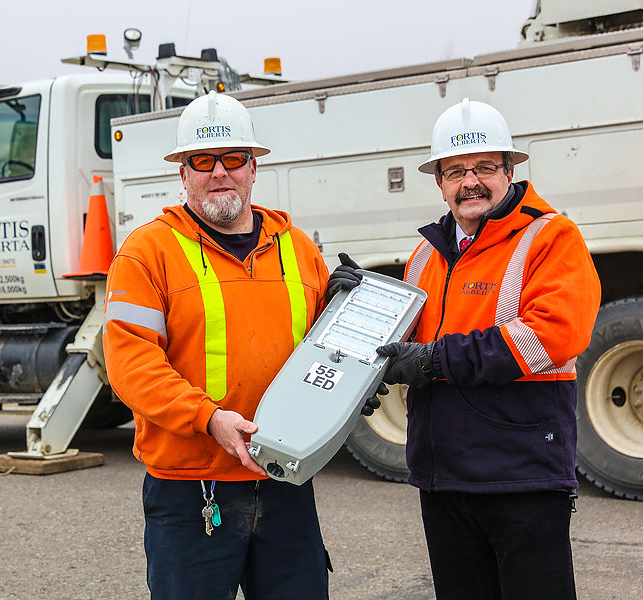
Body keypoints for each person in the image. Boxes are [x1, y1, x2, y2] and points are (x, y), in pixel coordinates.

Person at [102, 90, 374, 600]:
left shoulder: (297, 250)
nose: (219, 172)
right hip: (192, 489)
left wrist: (355, 384)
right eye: (203, 160)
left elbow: (324, 355)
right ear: (183, 172)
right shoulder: (147, 253)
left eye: (233, 159)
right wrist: (208, 418)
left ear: (253, 168)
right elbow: (131, 363)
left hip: (285, 479)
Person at [373, 98, 600, 599]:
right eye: (455, 171)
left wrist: (435, 361)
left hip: (521, 478)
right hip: (444, 477)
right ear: (439, 181)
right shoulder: (425, 254)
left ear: (509, 169)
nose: (469, 181)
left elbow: (555, 333)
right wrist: (356, 301)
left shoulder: (550, 237)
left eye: (483, 167)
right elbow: (406, 342)